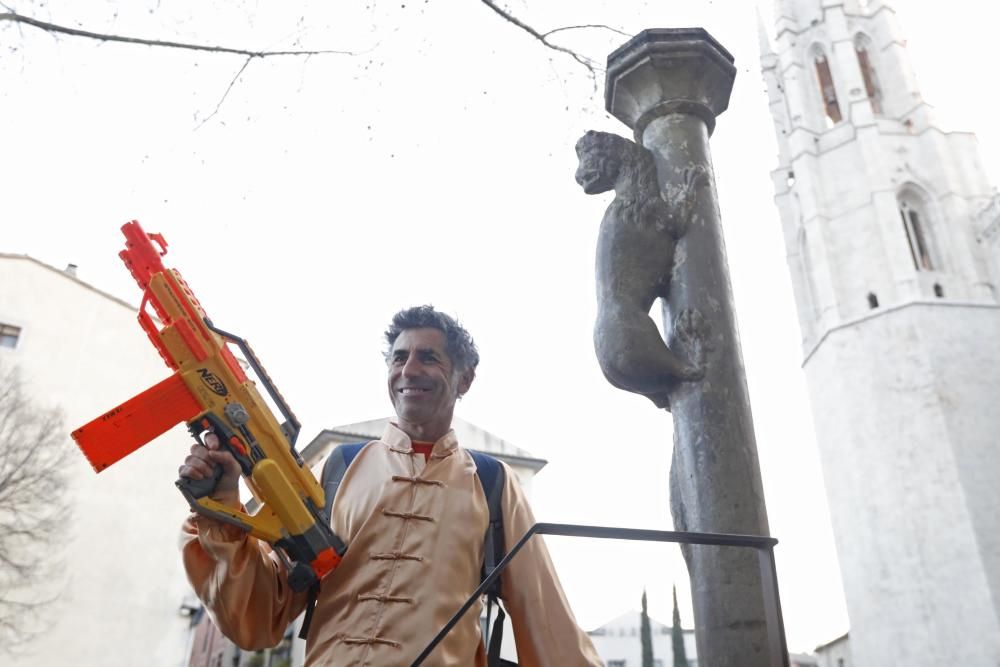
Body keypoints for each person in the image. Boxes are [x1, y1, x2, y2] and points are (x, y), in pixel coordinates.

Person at [179, 305, 604, 666]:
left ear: (464, 379)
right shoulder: (337, 469)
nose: (409, 370)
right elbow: (258, 614)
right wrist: (222, 505)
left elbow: (547, 621)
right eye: (399, 357)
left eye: (428, 358)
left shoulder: (492, 484)